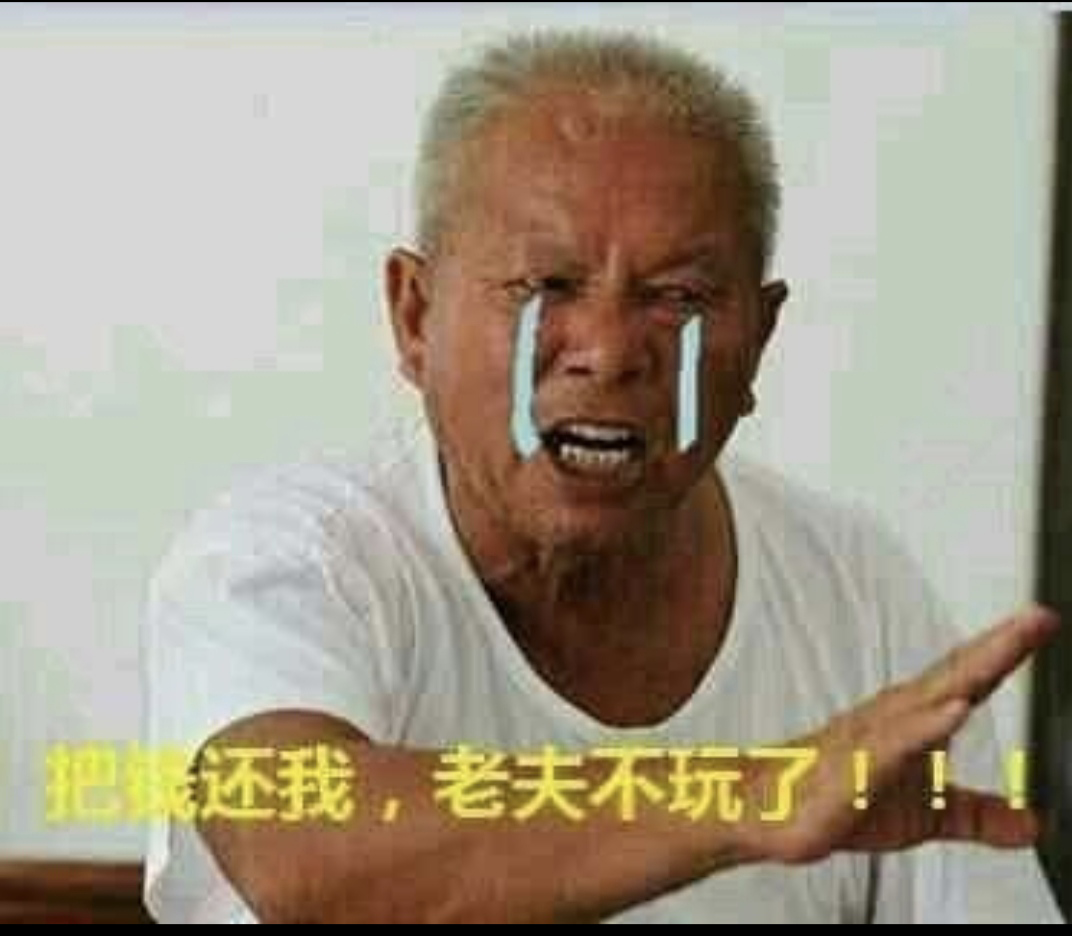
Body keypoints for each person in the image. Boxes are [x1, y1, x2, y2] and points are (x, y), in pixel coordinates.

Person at [143, 30, 1063, 923]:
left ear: (759, 340)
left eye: (679, 298)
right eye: (546, 285)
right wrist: (753, 797)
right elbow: (305, 854)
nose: (611, 351)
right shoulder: (289, 560)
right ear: (415, 316)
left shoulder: (855, 589)